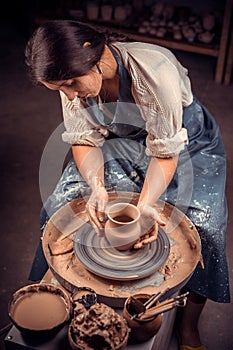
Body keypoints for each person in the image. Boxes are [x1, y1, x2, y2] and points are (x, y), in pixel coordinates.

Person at [25, 20, 230, 350]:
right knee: (62, 204)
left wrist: (146, 205)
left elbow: (165, 153)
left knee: (206, 228)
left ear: (90, 51)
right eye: (61, 89)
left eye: (71, 84)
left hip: (186, 144)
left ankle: (189, 325)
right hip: (123, 141)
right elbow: (85, 140)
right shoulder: (74, 82)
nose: (70, 95)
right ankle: (55, 298)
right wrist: (97, 187)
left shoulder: (153, 70)